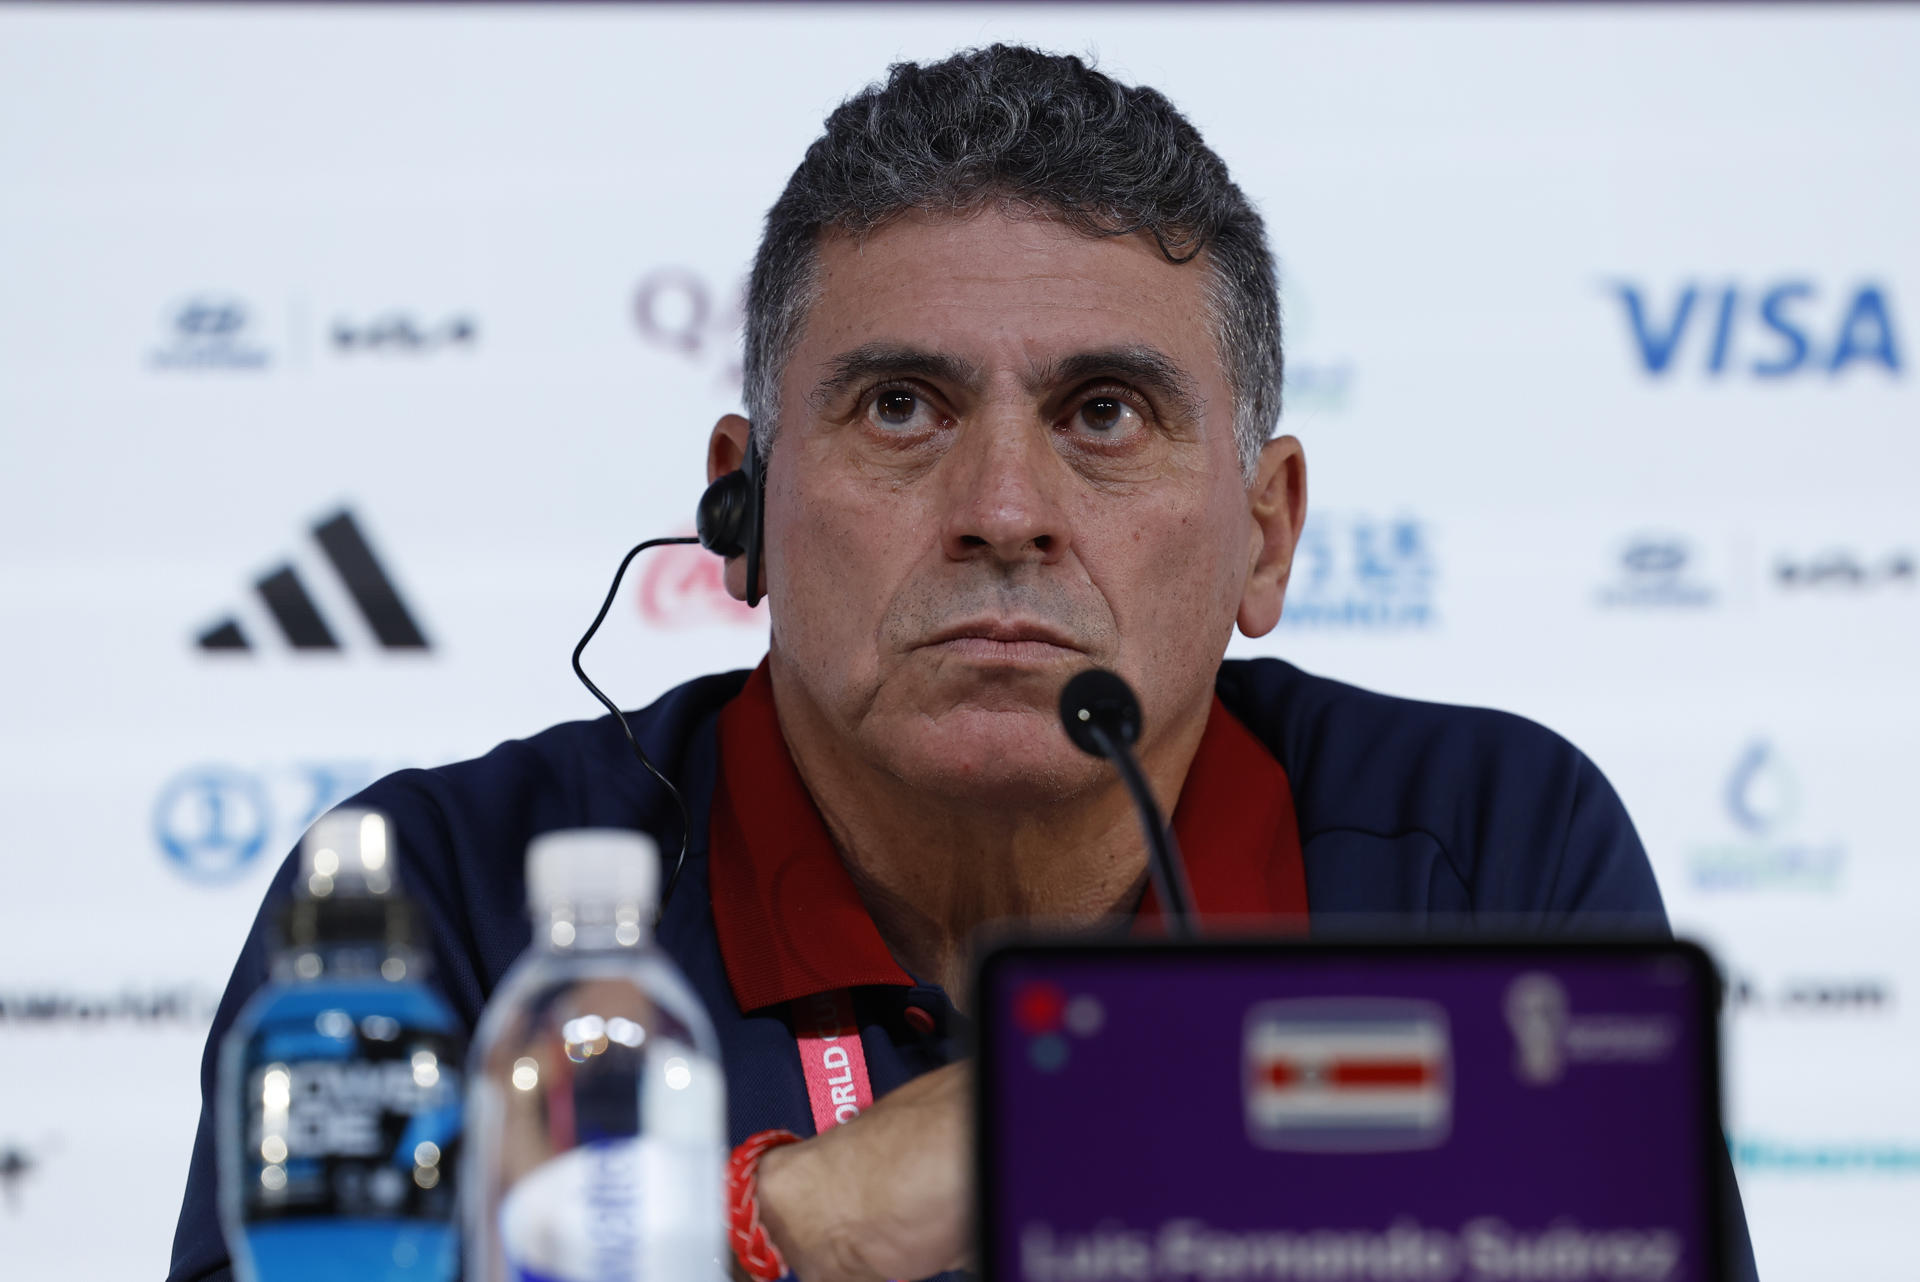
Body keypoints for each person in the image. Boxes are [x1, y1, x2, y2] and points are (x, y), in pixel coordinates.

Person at [168, 44, 1755, 1282]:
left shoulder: (1480, 853)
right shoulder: (432, 902)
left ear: (1265, 532)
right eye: (903, 408)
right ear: (747, 510)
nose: (1006, 513)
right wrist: (794, 1222)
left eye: (1105, 415)